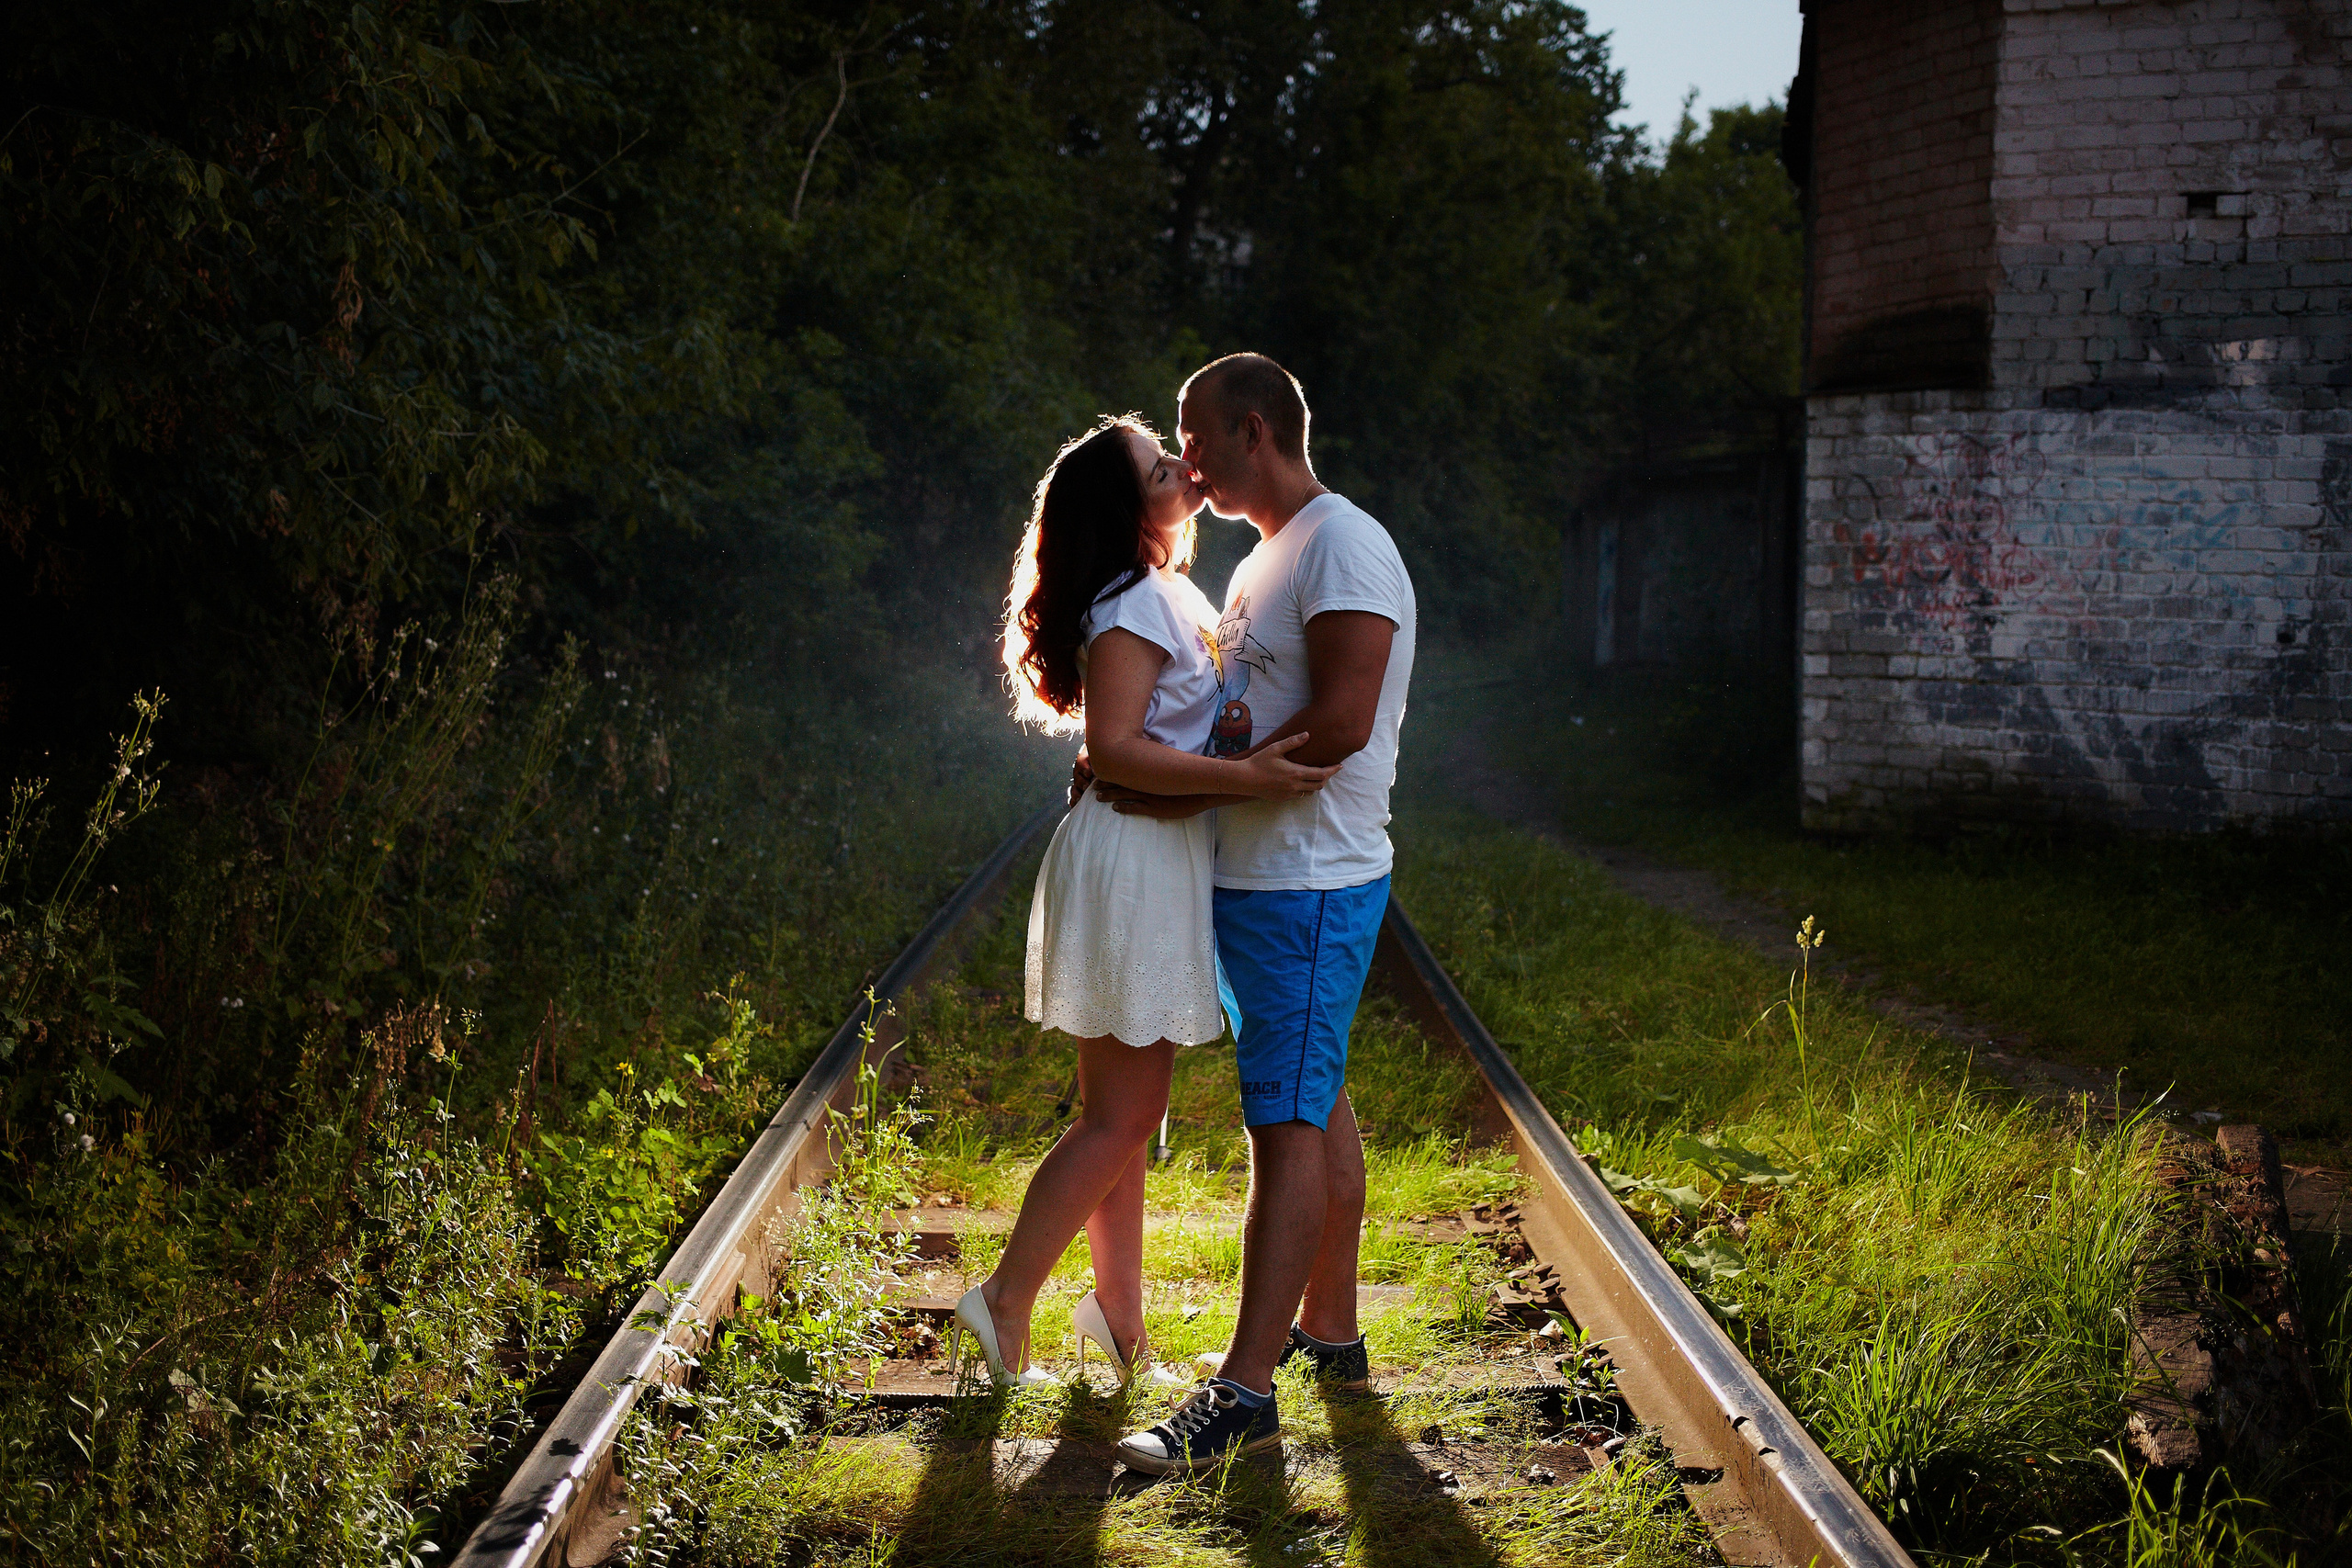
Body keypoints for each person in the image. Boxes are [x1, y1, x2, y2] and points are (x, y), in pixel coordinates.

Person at [952, 413, 1340, 1391]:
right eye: (1159, 465)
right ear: (1127, 508)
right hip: (1135, 856)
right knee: (1120, 1119)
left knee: (1122, 1116)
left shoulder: (1163, 591)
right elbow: (1119, 748)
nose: (1182, 467)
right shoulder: (1131, 602)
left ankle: (1119, 1325)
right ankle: (1003, 1301)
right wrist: (1250, 781)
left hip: (1151, 853)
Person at [1102, 354, 1417, 1476]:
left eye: (1194, 436)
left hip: (1309, 880)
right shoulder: (1264, 558)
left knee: (1281, 1124)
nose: (1186, 461)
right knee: (1311, 1100)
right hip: (1259, 879)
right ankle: (1328, 1336)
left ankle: (1242, 1395)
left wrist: (1198, 784)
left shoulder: (1342, 543)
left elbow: (1339, 717)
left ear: (1249, 429)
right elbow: (1243, 717)